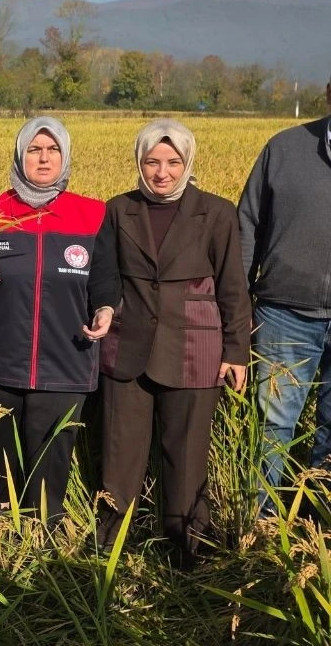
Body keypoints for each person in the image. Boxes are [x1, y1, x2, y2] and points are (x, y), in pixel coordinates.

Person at [87, 118, 250, 567]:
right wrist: (103, 306)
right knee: (120, 452)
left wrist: (236, 352)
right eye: (152, 161)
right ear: (139, 162)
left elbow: (233, 286)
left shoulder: (217, 212)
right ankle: (111, 543)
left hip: (196, 350)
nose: (162, 172)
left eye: (173, 161)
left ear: (187, 162)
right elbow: (104, 272)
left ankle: (188, 547)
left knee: (187, 452)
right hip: (128, 347)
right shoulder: (118, 209)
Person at [0, 117, 105, 526]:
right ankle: (3, 523)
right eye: (34, 149)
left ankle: (44, 530)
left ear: (64, 157)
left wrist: (105, 308)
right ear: (19, 155)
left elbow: (106, 279)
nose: (43, 158)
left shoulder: (93, 214)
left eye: (52, 150)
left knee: (51, 451)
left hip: (65, 358)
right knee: (3, 449)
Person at [239, 79, 331, 510]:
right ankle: (260, 523)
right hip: (283, 313)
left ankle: (318, 528)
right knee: (272, 425)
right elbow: (247, 225)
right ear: (328, 93)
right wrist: (237, 306)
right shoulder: (285, 148)